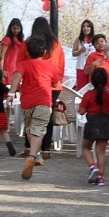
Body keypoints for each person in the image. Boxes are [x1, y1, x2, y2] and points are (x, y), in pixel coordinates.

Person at [10, 36, 61, 180]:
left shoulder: (23, 64)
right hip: (44, 101)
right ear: (45, 51)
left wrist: (11, 93)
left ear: (28, 51)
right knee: (38, 131)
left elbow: (16, 77)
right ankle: (33, 156)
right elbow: (57, 84)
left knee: (29, 129)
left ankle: (36, 155)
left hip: (27, 102)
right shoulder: (50, 66)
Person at [23, 17, 64, 157]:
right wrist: (56, 79)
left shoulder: (28, 43)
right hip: (52, 85)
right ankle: (46, 148)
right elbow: (61, 65)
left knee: (29, 116)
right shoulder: (55, 44)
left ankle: (30, 148)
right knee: (48, 116)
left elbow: (21, 63)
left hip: (32, 85)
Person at [80, 67, 109, 187]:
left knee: (85, 147)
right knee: (101, 152)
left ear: (92, 80)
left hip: (92, 123)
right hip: (105, 124)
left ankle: (92, 166)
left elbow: (81, 111)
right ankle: (101, 178)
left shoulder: (89, 95)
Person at [72, 19, 96, 88]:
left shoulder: (94, 40)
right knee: (81, 87)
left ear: (91, 28)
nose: (85, 28)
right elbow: (73, 53)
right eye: (84, 26)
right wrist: (80, 51)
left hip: (92, 67)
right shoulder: (78, 39)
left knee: (91, 87)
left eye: (88, 26)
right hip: (81, 67)